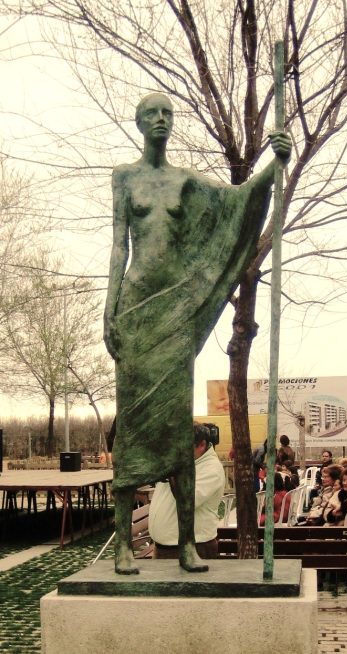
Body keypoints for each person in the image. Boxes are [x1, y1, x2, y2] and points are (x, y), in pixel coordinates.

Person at [103, 91, 291, 574]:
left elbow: (238, 201)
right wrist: (109, 310)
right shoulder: (125, 177)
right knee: (133, 427)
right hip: (136, 306)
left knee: (177, 423)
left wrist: (275, 164)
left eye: (168, 113)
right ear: (139, 122)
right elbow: (118, 247)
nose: (162, 120)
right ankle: (123, 542)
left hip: (175, 308)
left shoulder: (187, 182)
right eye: (152, 114)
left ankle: (187, 542)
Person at [149, 423, 225, 559]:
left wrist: (172, 471)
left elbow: (186, 500)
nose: (177, 450)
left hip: (191, 551)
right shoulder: (185, 463)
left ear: (201, 445)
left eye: (183, 446)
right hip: (165, 549)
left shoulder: (211, 469)